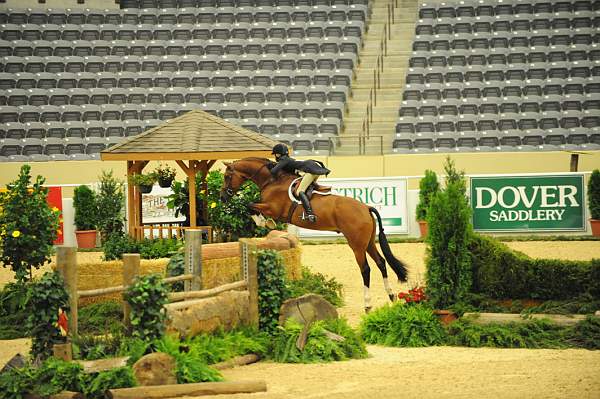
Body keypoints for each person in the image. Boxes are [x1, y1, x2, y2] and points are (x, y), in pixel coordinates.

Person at [270, 143, 330, 222]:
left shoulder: (284, 160)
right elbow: (292, 173)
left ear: (278, 154)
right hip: (313, 169)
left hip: (310, 171)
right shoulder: (288, 160)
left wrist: (270, 166)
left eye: (275, 154)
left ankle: (310, 214)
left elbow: (273, 171)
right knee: (306, 189)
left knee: (299, 191)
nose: (275, 156)